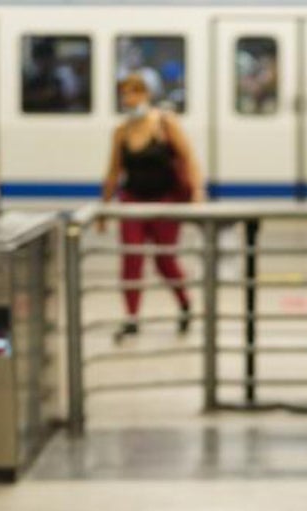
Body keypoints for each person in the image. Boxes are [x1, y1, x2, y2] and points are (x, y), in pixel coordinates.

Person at [100, 73, 204, 341]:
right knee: (131, 260)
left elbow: (188, 158)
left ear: (147, 94)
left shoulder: (165, 123)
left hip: (164, 201)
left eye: (135, 92)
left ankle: (184, 303)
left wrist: (197, 192)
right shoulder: (121, 132)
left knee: (164, 259)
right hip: (132, 202)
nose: (129, 99)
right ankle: (131, 317)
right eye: (125, 94)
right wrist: (104, 207)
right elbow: (113, 172)